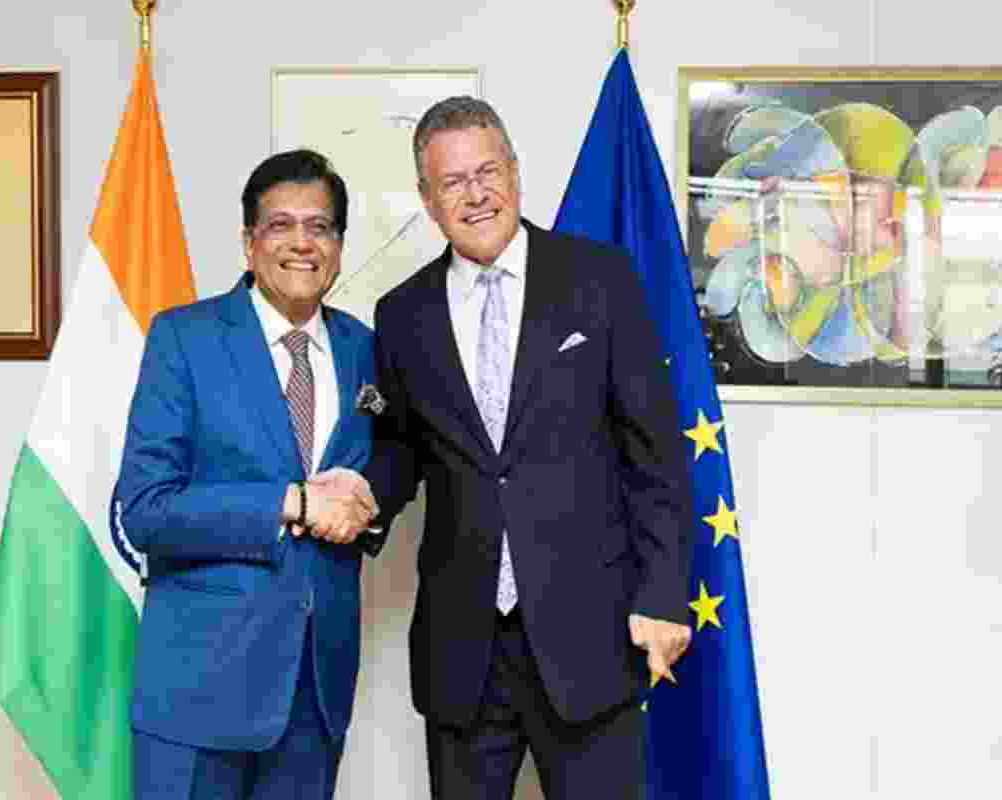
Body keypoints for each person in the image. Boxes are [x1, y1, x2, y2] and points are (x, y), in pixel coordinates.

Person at [360, 96, 695, 800]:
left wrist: (664, 596)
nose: (476, 194)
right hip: (462, 655)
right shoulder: (402, 314)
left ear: (515, 172)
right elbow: (399, 451)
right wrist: (357, 494)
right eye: (453, 183)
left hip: (591, 640)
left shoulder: (599, 280)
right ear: (428, 199)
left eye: (488, 171)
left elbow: (655, 453)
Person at [111, 148, 383, 800]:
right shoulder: (184, 338)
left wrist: (367, 508)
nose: (301, 242)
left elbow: (377, 472)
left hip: (314, 696)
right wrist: (289, 502)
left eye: (320, 226)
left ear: (339, 246)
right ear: (248, 242)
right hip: (199, 694)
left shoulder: (365, 348)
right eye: (280, 225)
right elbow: (146, 508)